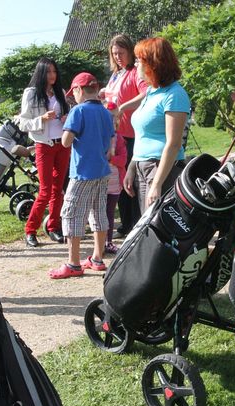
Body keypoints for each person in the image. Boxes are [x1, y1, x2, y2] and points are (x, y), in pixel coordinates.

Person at [49, 72, 115, 279]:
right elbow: (110, 140)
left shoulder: (78, 110)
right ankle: (97, 258)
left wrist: (67, 126)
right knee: (98, 212)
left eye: (74, 93)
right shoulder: (105, 111)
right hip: (102, 171)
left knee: (71, 213)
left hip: (83, 172)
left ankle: (73, 263)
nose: (73, 97)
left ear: (79, 90)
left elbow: (66, 141)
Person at [125, 37, 190, 212]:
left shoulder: (175, 95)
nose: (136, 65)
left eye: (139, 61)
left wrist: (157, 183)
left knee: (155, 222)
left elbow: (174, 143)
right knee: (146, 221)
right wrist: (132, 166)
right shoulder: (151, 91)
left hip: (161, 168)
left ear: (153, 64)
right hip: (143, 166)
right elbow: (143, 135)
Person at [18, 57, 71, 247]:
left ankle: (53, 227)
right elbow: (23, 123)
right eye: (48, 71)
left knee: (58, 190)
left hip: (62, 144)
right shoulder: (31, 93)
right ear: (41, 72)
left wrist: (66, 118)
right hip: (43, 145)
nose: (52, 75)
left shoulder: (60, 92)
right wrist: (41, 119)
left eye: (54, 71)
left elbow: (67, 116)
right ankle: (30, 230)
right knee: (45, 190)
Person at [102, 34, 147, 238]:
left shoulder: (136, 72)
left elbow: (145, 93)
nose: (118, 57)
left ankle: (135, 224)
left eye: (121, 53)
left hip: (131, 135)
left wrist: (123, 107)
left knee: (131, 182)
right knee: (119, 180)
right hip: (115, 135)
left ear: (130, 51)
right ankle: (126, 224)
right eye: (114, 54)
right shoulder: (115, 74)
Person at [104, 102, 127, 255]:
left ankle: (108, 241)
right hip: (98, 181)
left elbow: (123, 159)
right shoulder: (98, 137)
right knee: (98, 213)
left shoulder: (119, 138)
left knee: (110, 212)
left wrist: (110, 159)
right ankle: (99, 242)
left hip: (114, 183)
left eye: (113, 118)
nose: (111, 121)